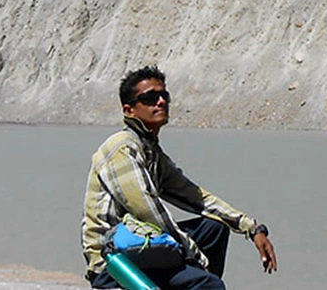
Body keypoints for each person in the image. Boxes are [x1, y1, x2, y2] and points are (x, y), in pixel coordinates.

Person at [82, 66, 277, 290]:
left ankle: (191, 280)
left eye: (164, 95)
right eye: (150, 98)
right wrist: (197, 259)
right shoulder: (121, 149)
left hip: (140, 248)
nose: (161, 102)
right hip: (114, 263)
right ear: (129, 110)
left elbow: (196, 198)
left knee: (214, 228)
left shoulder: (150, 151)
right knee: (209, 284)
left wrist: (252, 228)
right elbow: (150, 213)